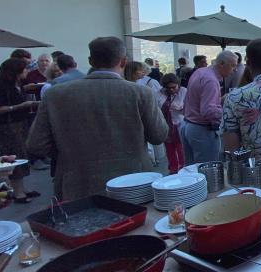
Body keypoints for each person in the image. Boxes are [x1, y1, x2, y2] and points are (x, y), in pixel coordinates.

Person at [27, 37, 168, 202]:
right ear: (123, 62)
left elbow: (36, 145)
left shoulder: (55, 94)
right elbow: (159, 135)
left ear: (90, 61)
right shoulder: (140, 93)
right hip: (133, 185)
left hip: (77, 185)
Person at [0, 58, 40, 203]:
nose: (27, 71)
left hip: (19, 124)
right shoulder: (1, 86)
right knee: (14, 157)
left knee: (22, 155)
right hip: (6, 127)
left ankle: (22, 189)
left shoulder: (17, 84)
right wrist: (19, 106)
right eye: (24, 69)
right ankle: (18, 193)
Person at [181, 50, 237, 164]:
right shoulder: (211, 81)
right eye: (232, 65)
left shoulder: (201, 72)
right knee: (208, 171)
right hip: (202, 130)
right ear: (221, 64)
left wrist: (220, 100)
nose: (234, 70)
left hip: (189, 126)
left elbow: (198, 101)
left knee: (193, 169)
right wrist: (231, 113)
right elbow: (208, 111)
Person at [157, 73, 187, 174]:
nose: (171, 90)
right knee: (169, 148)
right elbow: (156, 106)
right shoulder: (160, 92)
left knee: (181, 148)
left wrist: (180, 108)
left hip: (179, 123)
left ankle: (183, 168)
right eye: (168, 88)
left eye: (174, 87)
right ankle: (173, 169)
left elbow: (189, 108)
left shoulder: (183, 91)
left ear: (178, 84)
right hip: (166, 123)